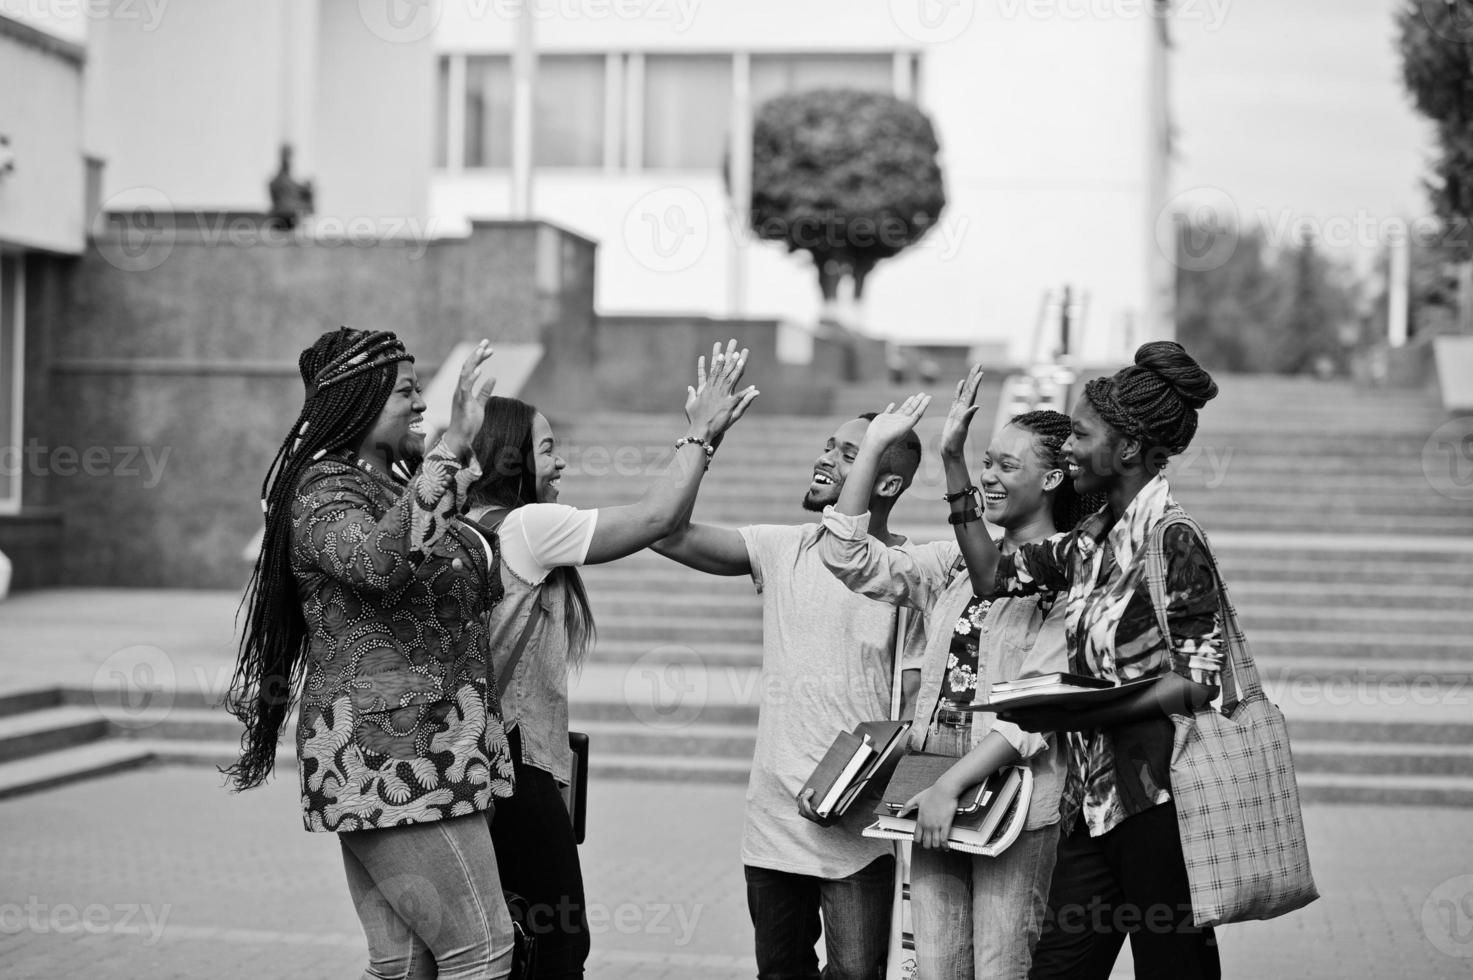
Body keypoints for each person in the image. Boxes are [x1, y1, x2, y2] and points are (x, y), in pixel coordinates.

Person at [226, 328, 520, 978]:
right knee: (483, 951)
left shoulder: (387, 486)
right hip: (393, 756)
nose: (421, 406)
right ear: (359, 399)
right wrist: (450, 447)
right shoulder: (321, 490)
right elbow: (378, 561)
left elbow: (438, 563)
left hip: (418, 749)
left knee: (404, 966)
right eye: (406, 393)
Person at [462, 341, 759, 979]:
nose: (561, 460)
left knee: (499, 939)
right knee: (558, 945)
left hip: (474, 762)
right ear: (508, 458)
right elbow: (657, 517)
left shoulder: (464, 524)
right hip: (515, 767)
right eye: (546, 449)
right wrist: (699, 436)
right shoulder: (524, 529)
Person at [953, 342, 1226, 980]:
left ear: (1127, 448)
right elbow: (992, 576)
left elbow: (1200, 682)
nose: (1070, 447)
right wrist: (951, 467)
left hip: (1160, 803)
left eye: (1079, 433)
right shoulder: (1091, 540)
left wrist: (1089, 704)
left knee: (1174, 967)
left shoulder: (1172, 538)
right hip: (1096, 801)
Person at [651, 367, 928, 980]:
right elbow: (664, 535)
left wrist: (847, 790)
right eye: (829, 446)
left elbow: (911, 712)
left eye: (848, 453)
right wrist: (703, 438)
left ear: (885, 481)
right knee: (779, 973)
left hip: (855, 827)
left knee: (856, 976)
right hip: (773, 818)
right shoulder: (784, 547)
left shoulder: (909, 573)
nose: (825, 459)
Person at [817, 376, 1093, 978]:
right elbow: (848, 556)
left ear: (1051, 479)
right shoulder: (954, 564)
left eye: (1004, 465)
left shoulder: (1075, 574)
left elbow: (1038, 710)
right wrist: (874, 448)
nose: (988, 476)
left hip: (1016, 793)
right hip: (929, 780)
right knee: (937, 968)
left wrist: (950, 788)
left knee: (1001, 968)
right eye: (984, 462)